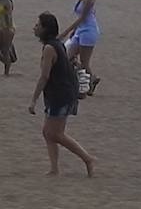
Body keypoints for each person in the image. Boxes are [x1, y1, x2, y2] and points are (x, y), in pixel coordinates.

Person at [28, 12, 96, 177]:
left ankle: (87, 159)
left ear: (45, 29)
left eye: (38, 25)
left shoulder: (51, 48)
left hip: (61, 94)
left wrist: (33, 100)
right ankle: (54, 169)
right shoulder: (54, 44)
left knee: (56, 133)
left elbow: (44, 76)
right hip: (57, 92)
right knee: (47, 132)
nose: (34, 27)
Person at [61, 0, 102, 95]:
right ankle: (91, 79)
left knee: (84, 62)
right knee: (68, 58)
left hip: (88, 31)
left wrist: (66, 31)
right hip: (80, 30)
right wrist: (74, 32)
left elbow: (82, 18)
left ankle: (85, 85)